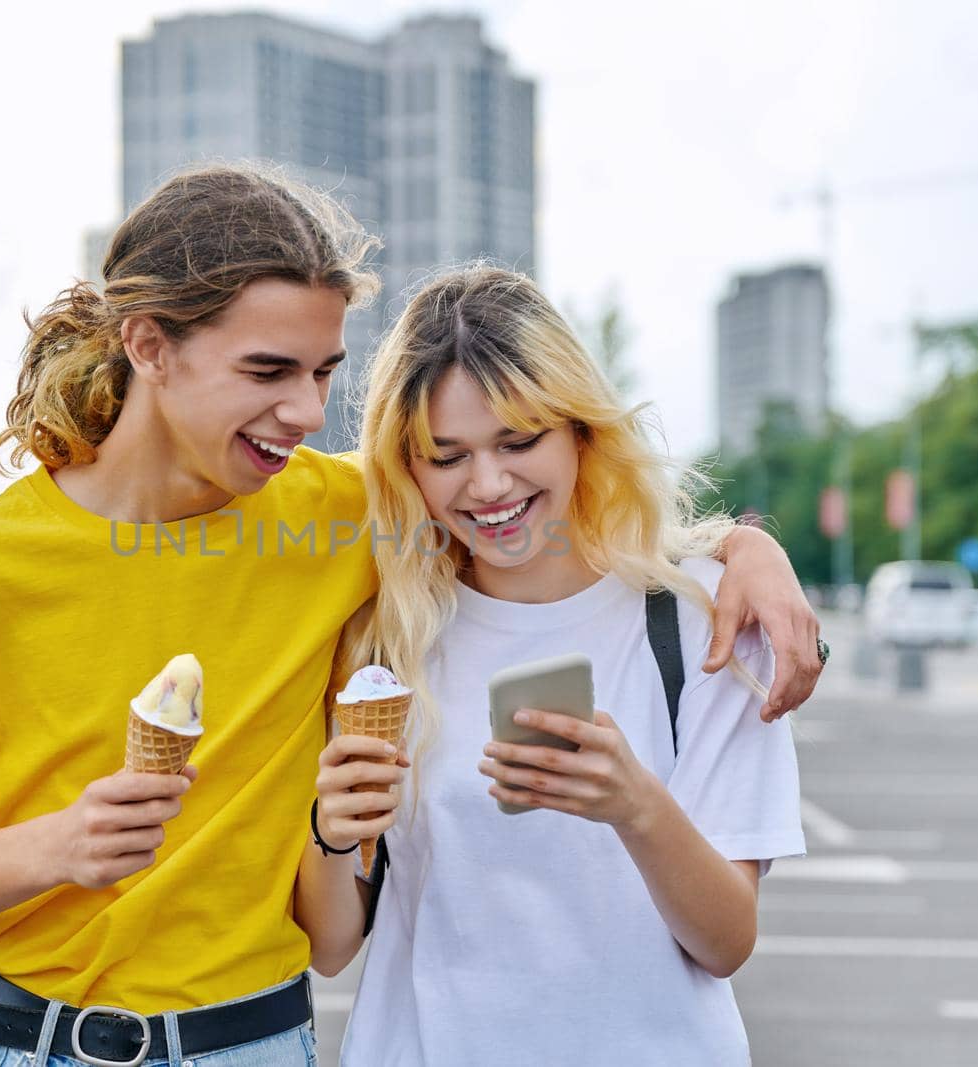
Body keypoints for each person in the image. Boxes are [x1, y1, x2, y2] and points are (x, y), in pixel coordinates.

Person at [0, 165, 820, 1067]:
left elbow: (544, 508)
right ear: (147, 345)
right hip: (23, 1041)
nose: (305, 411)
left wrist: (746, 546)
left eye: (324, 372)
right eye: (268, 371)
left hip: (254, 1039)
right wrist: (59, 843)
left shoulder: (346, 515)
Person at [303, 266, 808, 1065]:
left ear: (580, 429)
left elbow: (726, 941)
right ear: (407, 465)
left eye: (518, 440)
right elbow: (333, 945)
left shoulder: (706, 620)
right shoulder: (386, 635)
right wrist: (331, 831)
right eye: (448, 455)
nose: (490, 484)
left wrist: (636, 805)